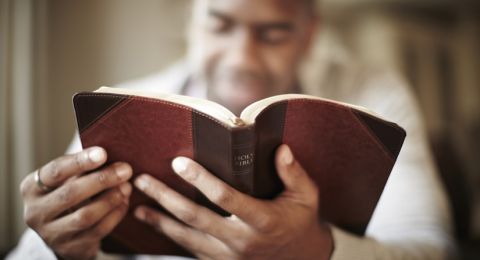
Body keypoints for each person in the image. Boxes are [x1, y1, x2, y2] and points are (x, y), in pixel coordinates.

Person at [9, 0, 456, 259]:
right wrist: (52, 245)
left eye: (274, 33)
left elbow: (434, 249)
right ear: (192, 18)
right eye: (220, 25)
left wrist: (316, 250)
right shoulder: (120, 104)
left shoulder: (374, 93)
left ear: (308, 33)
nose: (242, 58)